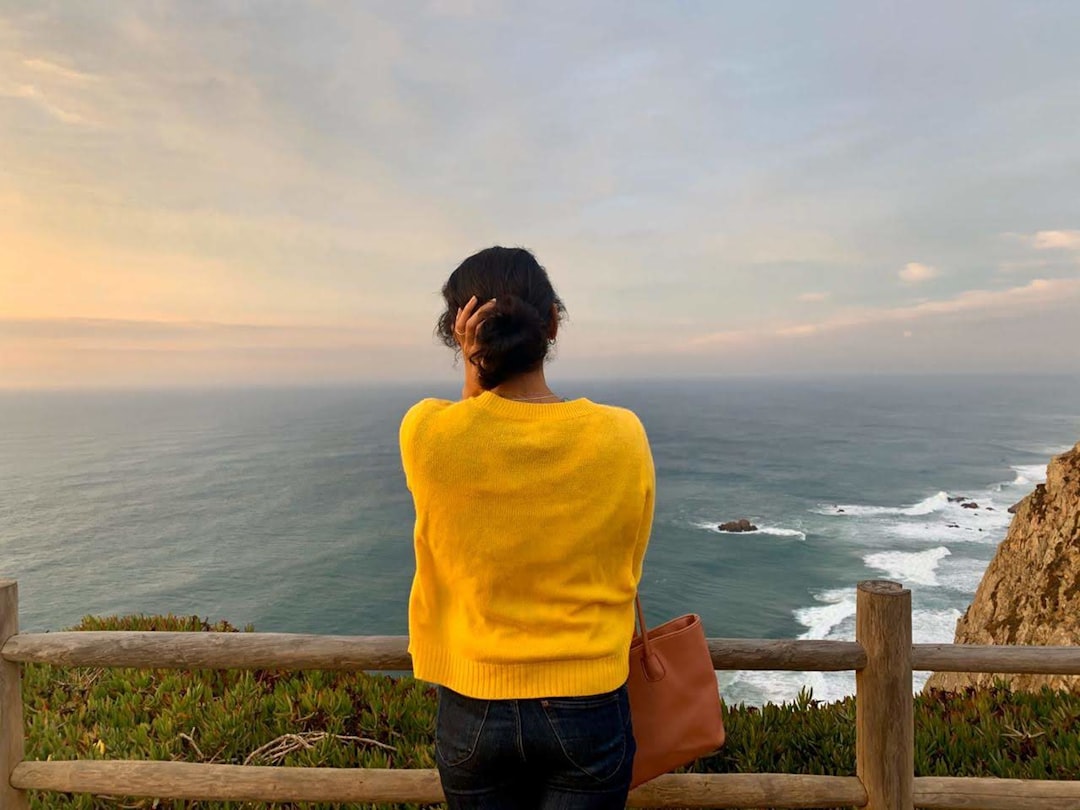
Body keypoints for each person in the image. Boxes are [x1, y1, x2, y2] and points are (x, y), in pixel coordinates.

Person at [398, 246, 655, 809]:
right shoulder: (623, 435)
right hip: (589, 699)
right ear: (552, 325)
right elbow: (631, 560)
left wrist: (475, 371)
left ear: (460, 335)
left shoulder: (426, 434)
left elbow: (467, 429)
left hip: (473, 705)